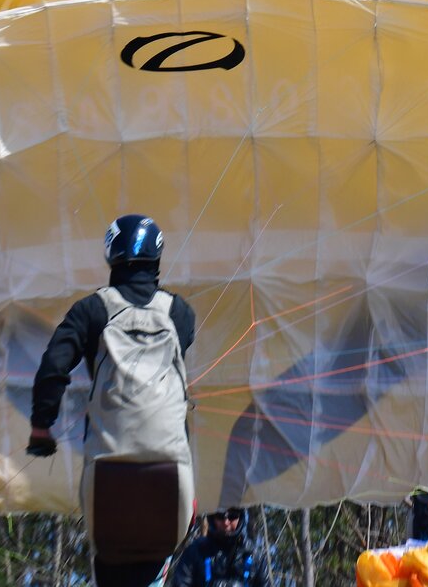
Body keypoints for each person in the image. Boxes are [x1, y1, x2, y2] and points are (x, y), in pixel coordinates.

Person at [29, 214, 198, 587]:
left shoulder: (91, 311)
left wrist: (42, 427)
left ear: (111, 254)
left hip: (107, 473)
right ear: (157, 255)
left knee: (108, 559)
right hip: (172, 478)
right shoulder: (180, 313)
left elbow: (52, 368)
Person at [170, 508, 270, 586]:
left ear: (240, 518)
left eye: (232, 516)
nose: (226, 522)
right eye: (220, 516)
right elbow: (180, 583)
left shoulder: (256, 556)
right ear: (212, 517)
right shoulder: (195, 551)